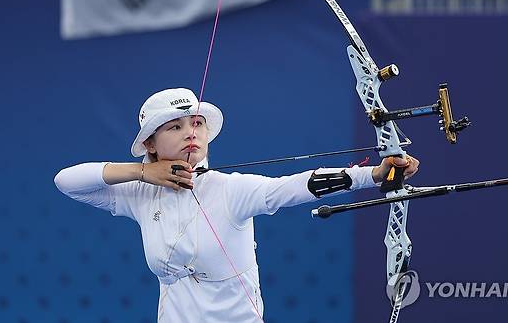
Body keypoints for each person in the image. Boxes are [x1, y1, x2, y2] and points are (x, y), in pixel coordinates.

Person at [54, 88, 419, 322]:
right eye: (175, 127)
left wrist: (373, 174)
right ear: (150, 144)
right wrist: (142, 173)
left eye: (196, 124)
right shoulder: (140, 193)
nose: (191, 132)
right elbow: (67, 182)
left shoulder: (230, 190)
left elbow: (294, 186)